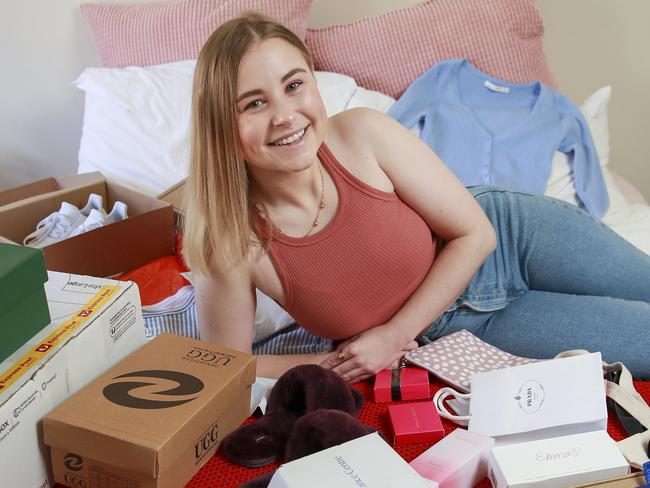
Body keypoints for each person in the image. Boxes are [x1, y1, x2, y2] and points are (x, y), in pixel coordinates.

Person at [182, 12, 650, 382]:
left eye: (294, 84)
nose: (286, 115)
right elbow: (228, 366)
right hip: (461, 329)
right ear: (220, 123)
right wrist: (334, 364)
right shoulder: (230, 240)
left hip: (512, 237)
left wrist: (391, 336)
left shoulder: (362, 132)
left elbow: (476, 233)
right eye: (254, 103)